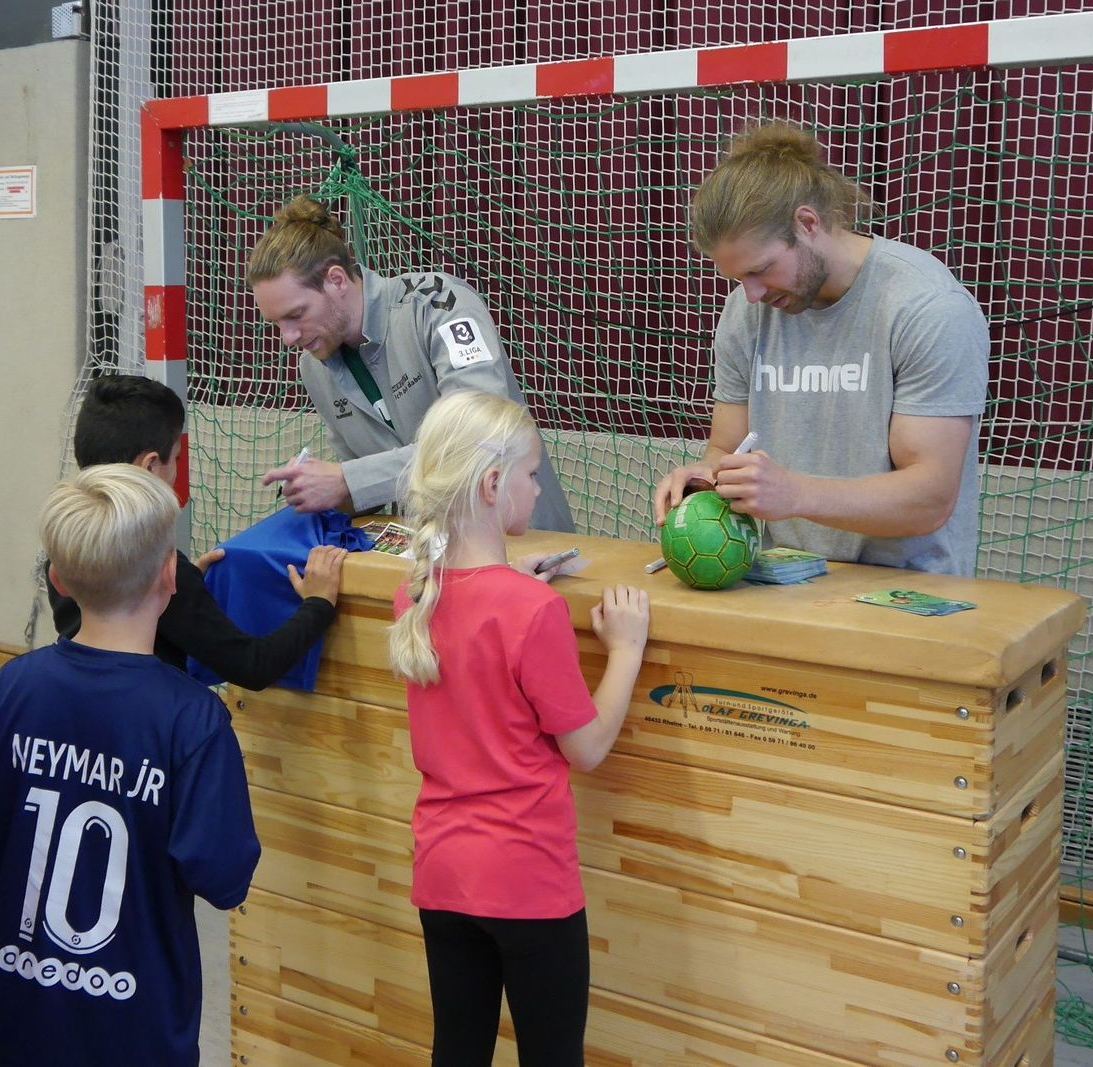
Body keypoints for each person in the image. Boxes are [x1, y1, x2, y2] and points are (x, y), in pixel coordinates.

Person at [0, 464, 261, 1067]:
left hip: (23, 1010)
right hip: (138, 1026)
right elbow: (224, 877)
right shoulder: (193, 718)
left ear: (58, 580)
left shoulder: (14, 687)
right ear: (170, 575)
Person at [387, 390, 649, 1065]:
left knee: (459, 1049)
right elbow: (587, 748)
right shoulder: (532, 610)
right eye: (532, 474)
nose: (538, 488)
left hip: (444, 873)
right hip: (527, 878)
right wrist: (625, 650)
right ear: (493, 484)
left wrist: (506, 575)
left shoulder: (414, 594)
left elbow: (476, 605)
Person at [653, 124, 990, 576]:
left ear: (808, 224)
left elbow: (929, 500)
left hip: (905, 593)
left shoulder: (926, 308)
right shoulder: (745, 311)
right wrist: (704, 478)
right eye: (739, 279)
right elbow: (726, 449)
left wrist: (795, 496)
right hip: (784, 579)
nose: (752, 294)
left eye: (761, 269)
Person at [247, 196, 576, 533]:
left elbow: (479, 440)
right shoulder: (315, 368)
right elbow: (369, 488)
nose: (288, 337)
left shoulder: (438, 305)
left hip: (518, 538)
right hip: (429, 548)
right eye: (277, 323)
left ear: (337, 280)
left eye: (296, 314)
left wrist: (348, 480)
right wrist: (319, 488)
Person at [46, 373, 347, 687]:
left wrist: (180, 588)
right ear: (150, 466)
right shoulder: (155, 568)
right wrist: (318, 603)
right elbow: (253, 666)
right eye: (176, 457)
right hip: (154, 712)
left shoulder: (64, 550)